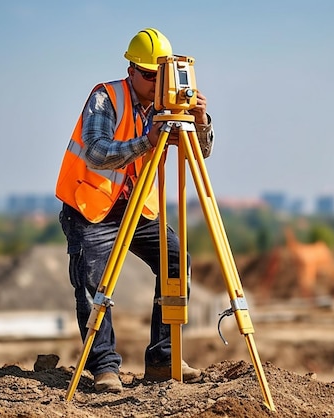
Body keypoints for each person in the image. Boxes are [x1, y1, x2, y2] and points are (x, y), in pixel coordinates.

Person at [55, 28, 215, 393]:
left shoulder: (166, 106)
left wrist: (200, 122)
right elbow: (96, 151)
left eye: (162, 76)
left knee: (176, 260)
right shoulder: (106, 97)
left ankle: (162, 358)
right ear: (131, 70)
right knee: (93, 285)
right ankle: (104, 367)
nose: (156, 82)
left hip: (137, 207)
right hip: (91, 206)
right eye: (148, 74)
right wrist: (147, 140)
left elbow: (200, 154)